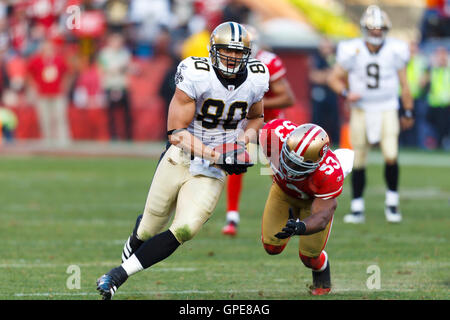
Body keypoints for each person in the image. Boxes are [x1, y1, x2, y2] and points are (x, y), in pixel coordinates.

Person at [96, 22, 269, 300]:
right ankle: (134, 243)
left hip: (212, 170)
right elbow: (176, 132)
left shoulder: (257, 77)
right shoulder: (196, 73)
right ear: (213, 51)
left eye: (239, 52)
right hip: (181, 156)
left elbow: (257, 116)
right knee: (149, 227)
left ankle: (118, 275)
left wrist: (241, 142)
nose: (233, 58)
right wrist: (218, 155)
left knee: (185, 229)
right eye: (227, 51)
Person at [327, 5, 414, 224]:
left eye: (380, 29)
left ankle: (392, 204)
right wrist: (347, 93)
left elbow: (405, 84)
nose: (376, 34)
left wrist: (408, 110)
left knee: (391, 153)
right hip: (361, 109)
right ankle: (357, 207)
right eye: (373, 29)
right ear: (365, 29)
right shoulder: (352, 50)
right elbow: (333, 78)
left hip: (387, 106)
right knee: (359, 157)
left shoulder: (395, 49)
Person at [258, 118, 354, 295]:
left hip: (312, 202)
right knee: (272, 247)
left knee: (309, 257)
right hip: (283, 192)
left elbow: (322, 217)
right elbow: (250, 128)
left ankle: (322, 271)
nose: (290, 166)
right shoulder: (274, 134)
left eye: (298, 165)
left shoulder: (328, 174)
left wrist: (300, 227)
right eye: (288, 157)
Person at [222, 25, 295, 236]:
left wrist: (257, 103)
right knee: (235, 162)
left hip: (269, 124)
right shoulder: (228, 62)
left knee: (276, 171)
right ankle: (232, 217)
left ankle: (289, 213)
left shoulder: (268, 61)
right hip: (243, 123)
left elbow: (288, 97)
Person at [27, 38, 71, 146]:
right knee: (44, 118)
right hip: (42, 93)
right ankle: (47, 139)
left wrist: (64, 85)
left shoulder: (59, 60)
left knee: (60, 116)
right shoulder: (36, 60)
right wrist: (33, 86)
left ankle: (62, 140)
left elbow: (68, 73)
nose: (48, 50)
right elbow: (28, 73)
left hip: (57, 93)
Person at [97, 32, 132, 141]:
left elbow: (127, 67)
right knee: (111, 114)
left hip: (122, 85)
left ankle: (127, 136)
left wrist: (118, 69)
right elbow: (105, 69)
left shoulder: (125, 53)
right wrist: (119, 68)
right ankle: (113, 136)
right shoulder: (104, 54)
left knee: (126, 114)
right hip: (110, 85)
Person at [308, 38, 340, 145]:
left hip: (332, 94)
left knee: (334, 121)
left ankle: (335, 143)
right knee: (317, 120)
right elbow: (314, 76)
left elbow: (338, 75)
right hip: (318, 95)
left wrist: (327, 76)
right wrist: (329, 76)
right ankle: (315, 142)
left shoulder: (334, 59)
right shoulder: (315, 58)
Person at [422, 46, 450, 150]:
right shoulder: (431, 69)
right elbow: (422, 83)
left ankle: (441, 144)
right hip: (434, 103)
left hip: (446, 104)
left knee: (444, 128)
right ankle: (433, 144)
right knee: (432, 127)